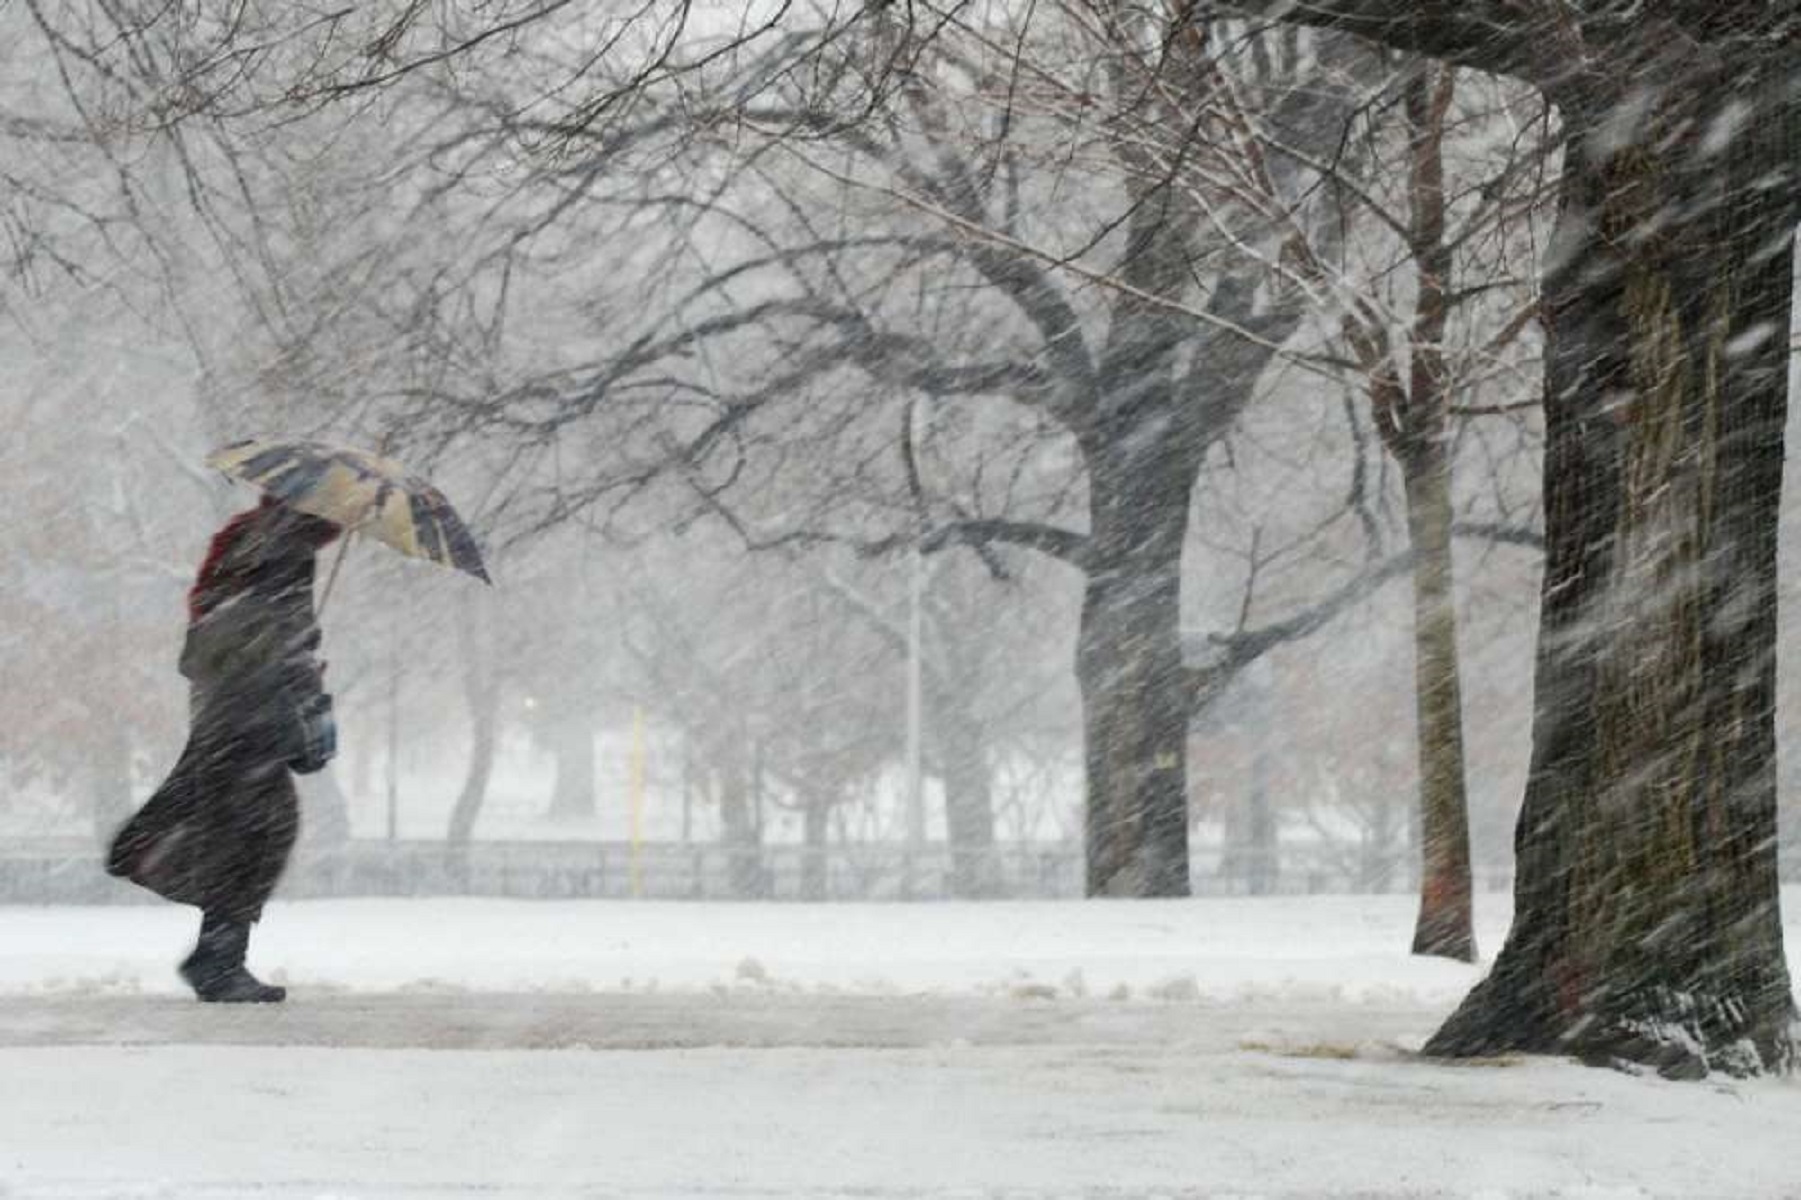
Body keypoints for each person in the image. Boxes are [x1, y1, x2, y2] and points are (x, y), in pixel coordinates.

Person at [107, 495, 341, 1003]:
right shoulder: (288, 547)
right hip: (250, 715)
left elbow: (226, 626)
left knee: (241, 834)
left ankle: (216, 955)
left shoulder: (251, 537)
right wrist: (304, 678)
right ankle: (216, 960)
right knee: (256, 837)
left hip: (225, 711)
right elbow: (277, 633)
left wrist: (293, 654)